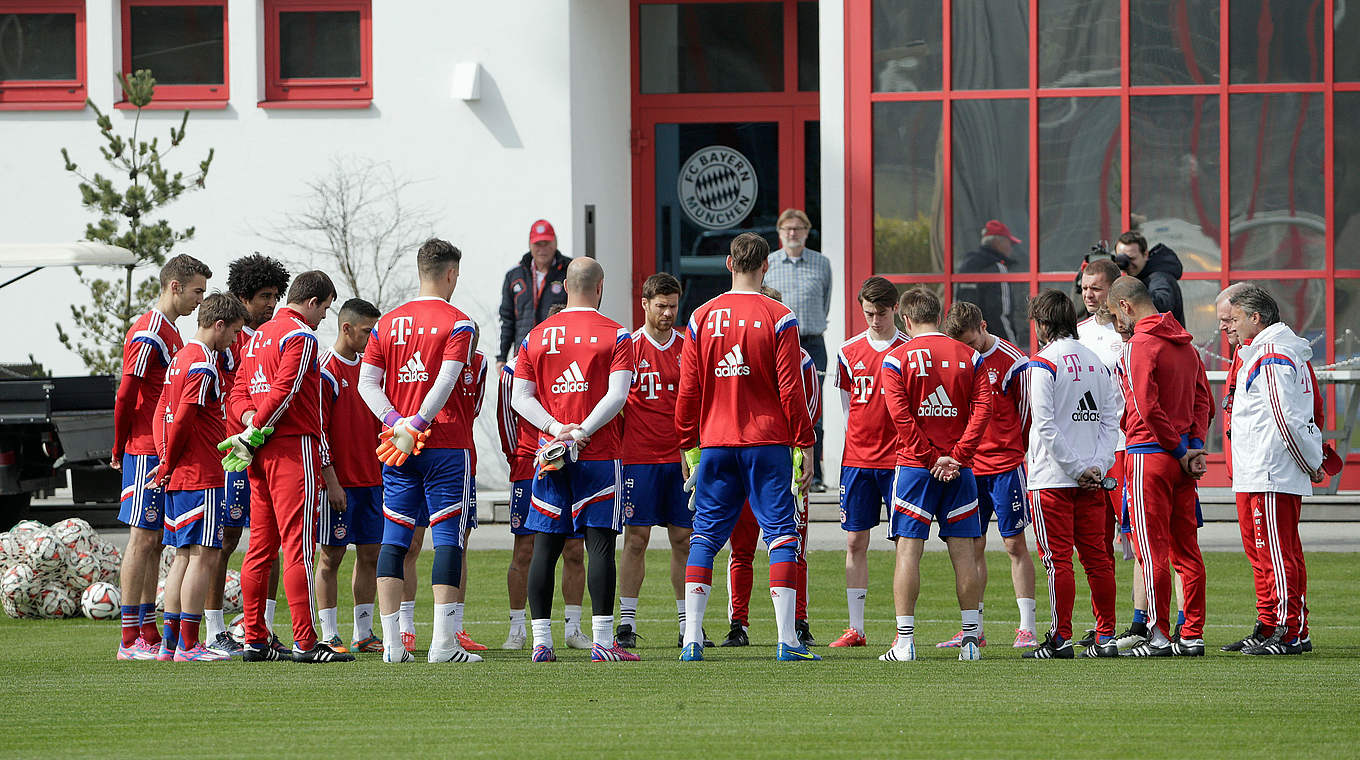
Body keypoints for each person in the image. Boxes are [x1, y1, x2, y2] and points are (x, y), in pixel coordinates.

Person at [675, 232, 817, 663]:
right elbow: (791, 389)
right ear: (766, 266)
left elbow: (688, 390)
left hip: (716, 442)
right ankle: (787, 639)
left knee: (704, 535)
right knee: (781, 534)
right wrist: (805, 442)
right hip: (767, 441)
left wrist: (686, 444)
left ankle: (692, 640)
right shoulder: (780, 316)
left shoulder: (701, 317)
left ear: (728, 263)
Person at [356, 239, 479, 665]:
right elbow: (445, 382)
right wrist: (419, 424)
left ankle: (393, 645)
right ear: (449, 274)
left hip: (398, 448)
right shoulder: (459, 323)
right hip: (445, 443)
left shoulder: (386, 323)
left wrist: (396, 423)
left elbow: (366, 384)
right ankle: (444, 645)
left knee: (395, 538)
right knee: (447, 539)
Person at [511, 257, 637, 663]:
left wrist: (556, 427)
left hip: (550, 455)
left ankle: (541, 642)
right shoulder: (617, 334)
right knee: (600, 543)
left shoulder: (536, 335)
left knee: (545, 545)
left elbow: (519, 398)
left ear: (565, 287)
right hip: (598, 454)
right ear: (600, 288)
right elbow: (617, 396)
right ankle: (603, 641)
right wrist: (581, 431)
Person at [226, 269, 352, 663]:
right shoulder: (300, 336)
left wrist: (249, 423)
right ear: (311, 302)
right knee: (299, 549)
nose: (324, 318)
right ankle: (305, 641)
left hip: (261, 453)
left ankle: (254, 638)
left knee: (259, 549)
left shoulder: (258, 335)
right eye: (326, 308)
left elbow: (238, 393)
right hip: (293, 447)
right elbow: (288, 389)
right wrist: (257, 428)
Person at [877, 287, 992, 663]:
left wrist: (929, 459)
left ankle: (906, 642)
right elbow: (982, 411)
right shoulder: (971, 357)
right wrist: (957, 457)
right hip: (960, 470)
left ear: (906, 320)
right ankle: (971, 640)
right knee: (965, 554)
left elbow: (901, 418)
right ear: (939, 317)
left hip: (914, 468)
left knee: (908, 552)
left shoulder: (896, 360)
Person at [1107, 276, 1211, 657]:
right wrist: (1193, 446)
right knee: (1186, 548)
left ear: (1125, 307)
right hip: (1181, 456)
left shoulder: (1140, 345)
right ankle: (1193, 634)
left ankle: (1159, 635)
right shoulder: (1186, 344)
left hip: (1150, 455)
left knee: (1152, 550)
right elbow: (1204, 402)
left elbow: (1146, 406)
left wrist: (1178, 448)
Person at [111, 254, 209, 661]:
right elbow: (125, 394)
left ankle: (147, 632)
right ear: (174, 286)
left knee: (155, 542)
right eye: (196, 291)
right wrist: (119, 446)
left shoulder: (173, 333)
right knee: (142, 539)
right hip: (145, 450)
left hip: (163, 449)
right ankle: (129, 638)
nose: (199, 300)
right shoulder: (149, 330)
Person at [1021, 290, 1120, 659]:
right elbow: (1111, 421)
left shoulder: (1042, 363)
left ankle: (1061, 638)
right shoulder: (1097, 361)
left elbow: (1045, 424)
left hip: (1052, 479)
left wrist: (1079, 468)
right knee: (1097, 558)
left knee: (1057, 559)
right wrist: (1098, 465)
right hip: (1092, 478)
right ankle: (1105, 635)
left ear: (1043, 324)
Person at [1224, 286, 1322, 655]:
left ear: (1256, 317)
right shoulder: (1265, 350)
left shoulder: (1273, 352)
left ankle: (1289, 630)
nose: (1227, 327)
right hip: (1260, 468)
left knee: (1278, 555)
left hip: (1271, 468)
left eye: (1233, 319)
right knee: (1270, 554)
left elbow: (1286, 416)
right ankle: (1271, 625)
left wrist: (1309, 462)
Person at [721, 285, 820, 649]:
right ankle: (739, 623)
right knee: (745, 547)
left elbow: (810, 409)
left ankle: (797, 620)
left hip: (774, 461)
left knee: (789, 547)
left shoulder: (802, 358)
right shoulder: (733, 356)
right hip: (750, 458)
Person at [150, 292, 247, 661]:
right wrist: (169, 461)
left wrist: (164, 459)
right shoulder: (203, 363)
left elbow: (163, 412)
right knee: (204, 557)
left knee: (183, 556)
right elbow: (185, 418)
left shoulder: (179, 358)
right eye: (234, 333)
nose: (235, 341)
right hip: (201, 474)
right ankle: (189, 645)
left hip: (181, 473)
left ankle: (170, 644)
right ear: (219, 325)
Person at [940, 301, 1038, 650]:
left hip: (1006, 467)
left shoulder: (1014, 361)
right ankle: (973, 629)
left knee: (1014, 544)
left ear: (983, 326)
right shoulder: (956, 358)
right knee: (972, 545)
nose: (967, 350)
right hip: (969, 466)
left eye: (971, 342)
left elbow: (1027, 414)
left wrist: (1015, 451)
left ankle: (1027, 627)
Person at [496, 303, 591, 651]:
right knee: (526, 549)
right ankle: (518, 628)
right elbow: (506, 419)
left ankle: (573, 628)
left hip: (575, 463)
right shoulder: (518, 368)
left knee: (575, 548)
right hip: (528, 467)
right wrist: (517, 460)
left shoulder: (583, 370)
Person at [615, 273, 698, 649]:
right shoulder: (628, 347)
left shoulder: (688, 347)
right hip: (638, 458)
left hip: (679, 457)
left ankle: (688, 624)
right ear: (645, 304)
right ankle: (626, 623)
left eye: (672, 305)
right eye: (660, 305)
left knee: (683, 539)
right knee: (637, 539)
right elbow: (614, 407)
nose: (667, 313)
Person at [212, 253, 289, 656]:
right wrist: (244, 425)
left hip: (264, 449)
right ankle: (214, 628)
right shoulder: (228, 338)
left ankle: (262, 626)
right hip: (231, 453)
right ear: (243, 298)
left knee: (269, 541)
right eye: (264, 296)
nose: (271, 304)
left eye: (276, 295)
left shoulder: (273, 336)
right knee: (224, 539)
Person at [827, 276, 907, 649]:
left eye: (881, 313)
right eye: (868, 313)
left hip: (899, 461)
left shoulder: (910, 349)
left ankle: (901, 627)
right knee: (855, 540)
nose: (874, 320)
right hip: (857, 461)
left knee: (902, 544)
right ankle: (856, 628)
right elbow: (847, 406)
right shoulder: (847, 351)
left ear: (895, 309)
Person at [315, 298, 384, 654]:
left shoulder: (371, 370)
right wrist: (330, 479)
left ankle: (364, 632)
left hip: (372, 480)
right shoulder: (325, 369)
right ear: (346, 328)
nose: (372, 339)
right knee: (330, 557)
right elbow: (319, 429)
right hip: (339, 484)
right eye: (367, 332)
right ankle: (328, 634)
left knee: (370, 554)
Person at [1074, 257, 1130, 648]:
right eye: (1084, 288)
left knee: (1140, 544)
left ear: (1114, 288)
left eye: (1095, 288)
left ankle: (1149, 624)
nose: (1088, 295)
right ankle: (1104, 625)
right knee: (1097, 547)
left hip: (1127, 449)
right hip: (1091, 454)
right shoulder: (1077, 334)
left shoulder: (1132, 335)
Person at [764, 209, 832, 491]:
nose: (793, 233)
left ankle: (813, 476)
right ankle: (781, 469)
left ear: (807, 232)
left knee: (813, 409)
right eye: (787, 229)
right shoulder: (770, 263)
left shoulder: (821, 263)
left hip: (813, 341)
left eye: (798, 229)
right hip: (779, 341)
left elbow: (825, 301)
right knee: (778, 404)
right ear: (780, 233)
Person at [445, 327, 490, 652]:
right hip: (422, 455)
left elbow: (472, 410)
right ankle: (404, 627)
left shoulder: (480, 363)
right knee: (412, 541)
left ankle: (455, 626)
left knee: (459, 541)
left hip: (463, 460)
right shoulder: (436, 360)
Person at [497, 219, 571, 371]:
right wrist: (502, 357)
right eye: (538, 244)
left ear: (555, 242)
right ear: (530, 245)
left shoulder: (569, 271)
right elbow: (507, 318)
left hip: (559, 353)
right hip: (524, 354)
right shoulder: (514, 276)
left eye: (546, 243)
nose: (542, 249)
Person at [955, 220, 1024, 348]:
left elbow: (956, 304)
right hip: (990, 344)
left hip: (964, 342)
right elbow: (1001, 314)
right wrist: (1012, 348)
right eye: (1010, 243)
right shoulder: (998, 268)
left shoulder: (965, 266)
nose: (1011, 248)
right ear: (998, 242)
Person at [1114, 231, 1184, 327]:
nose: (1127, 264)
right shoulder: (1138, 277)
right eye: (1122, 259)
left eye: (1132, 258)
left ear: (1145, 254)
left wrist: (1130, 294)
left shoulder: (1159, 277)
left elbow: (1164, 305)